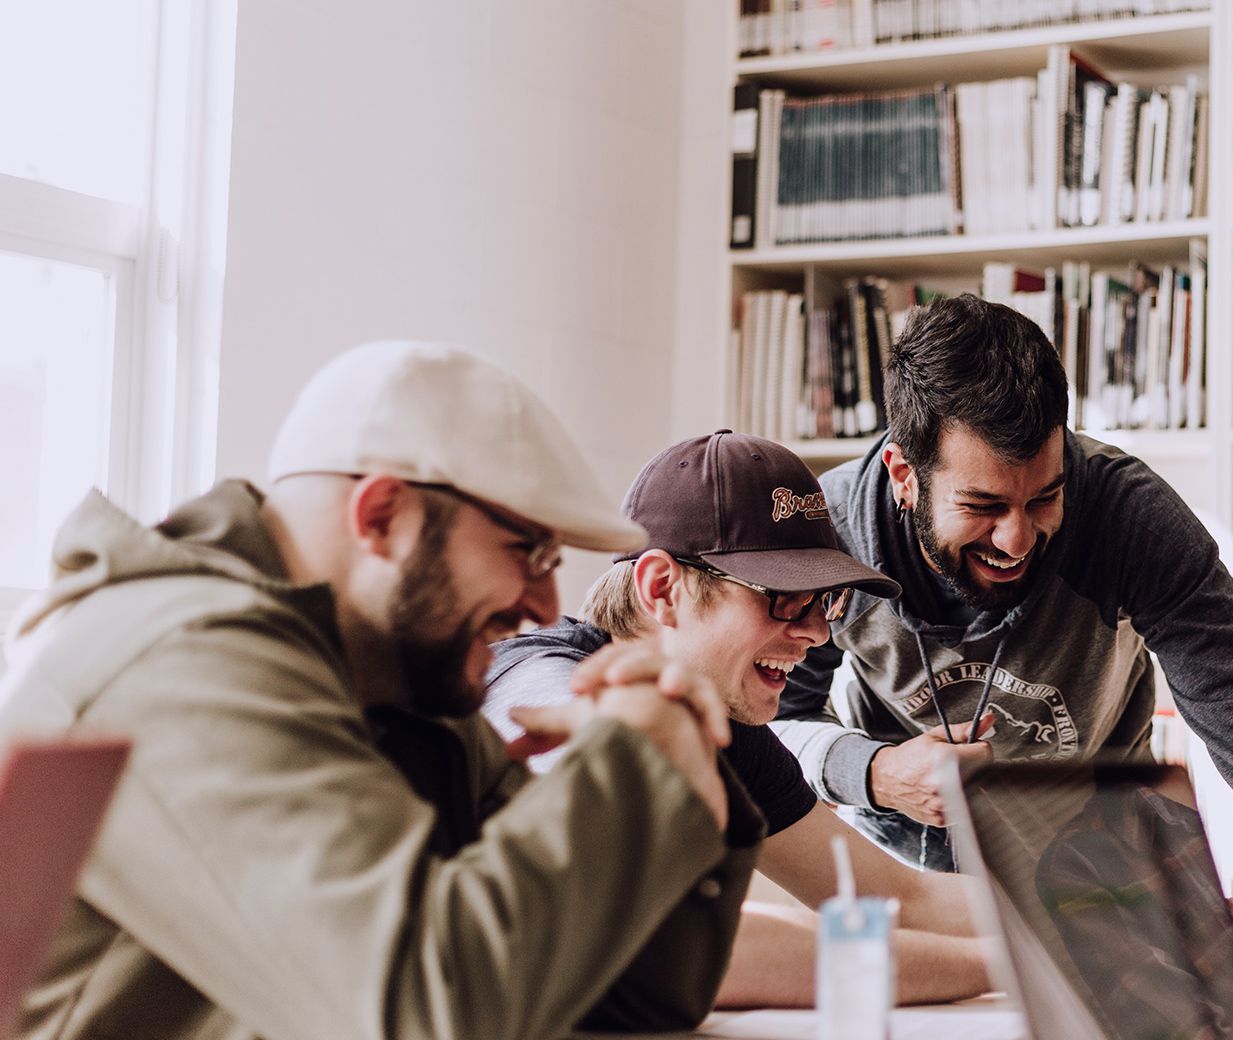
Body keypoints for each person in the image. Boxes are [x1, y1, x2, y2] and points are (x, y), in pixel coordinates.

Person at [0, 342, 762, 1040]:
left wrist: (680, 763)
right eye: (526, 550)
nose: (541, 603)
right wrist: (629, 764)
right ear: (381, 515)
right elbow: (423, 1014)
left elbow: (634, 996)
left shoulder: (397, 683)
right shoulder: (183, 663)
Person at [483, 430, 1233, 1007]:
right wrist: (1068, 957)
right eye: (784, 601)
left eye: (828, 604)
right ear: (662, 587)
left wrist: (1163, 916)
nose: (816, 634)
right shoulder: (544, 688)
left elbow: (891, 894)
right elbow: (676, 942)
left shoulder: (726, 727)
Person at [772, 293, 1233, 934]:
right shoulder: (829, 535)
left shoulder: (1129, 516)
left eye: (1044, 498)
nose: (1017, 540)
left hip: (1098, 865)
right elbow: (769, 725)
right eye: (983, 506)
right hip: (904, 881)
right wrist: (873, 771)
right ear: (904, 474)